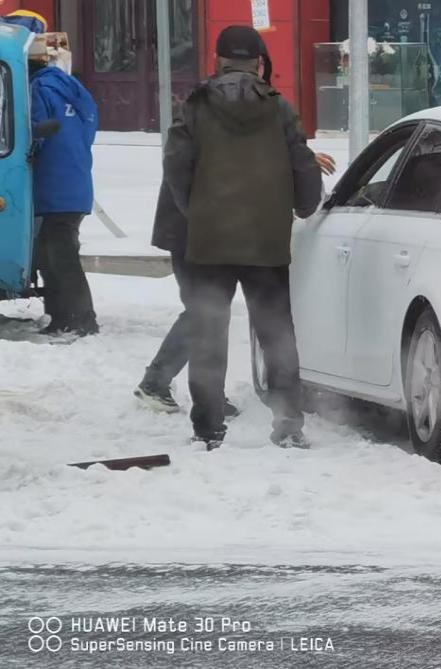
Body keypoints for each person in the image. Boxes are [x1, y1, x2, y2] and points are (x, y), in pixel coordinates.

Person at [163, 25, 323, 450]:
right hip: (266, 240)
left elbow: (176, 164)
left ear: (217, 60)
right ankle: (288, 423)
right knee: (276, 333)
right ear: (258, 61)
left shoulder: (194, 106)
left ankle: (208, 427)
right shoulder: (279, 107)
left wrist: (194, 212)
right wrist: (306, 204)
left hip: (209, 240)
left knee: (208, 331)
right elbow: (302, 162)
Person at [24, 17, 99, 336]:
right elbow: (89, 129)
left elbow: (34, 134)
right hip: (77, 184)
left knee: (60, 256)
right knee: (50, 253)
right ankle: (59, 316)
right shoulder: (76, 91)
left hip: (55, 187)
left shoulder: (38, 90)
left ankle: (83, 319)